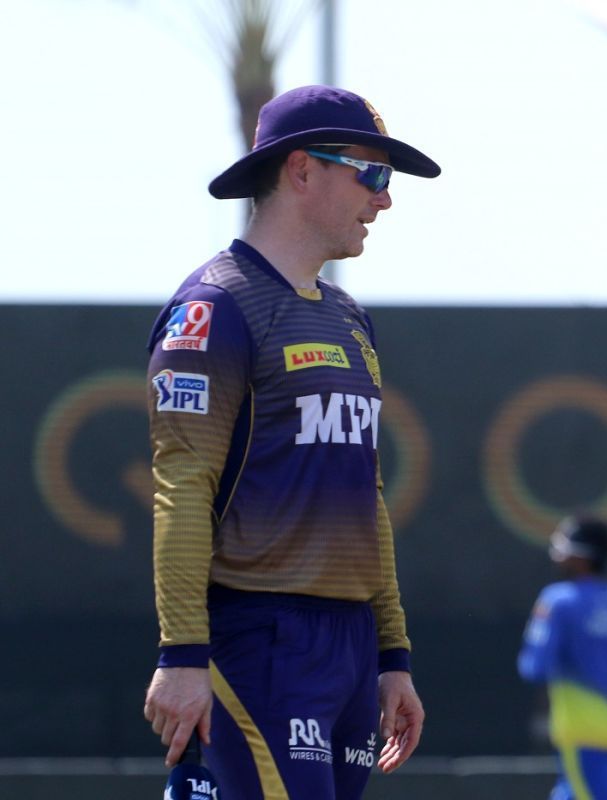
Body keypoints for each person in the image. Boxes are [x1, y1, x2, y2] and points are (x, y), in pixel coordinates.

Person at [141, 85, 440, 798]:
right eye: (372, 174)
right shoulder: (214, 309)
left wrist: (390, 654)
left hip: (349, 651)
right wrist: (181, 654)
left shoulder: (348, 319)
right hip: (259, 642)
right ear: (302, 171)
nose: (385, 200)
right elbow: (181, 487)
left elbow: (364, 498)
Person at [518, 515, 607, 800]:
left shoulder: (557, 600)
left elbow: (533, 667)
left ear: (579, 555)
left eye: (561, 546)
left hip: (580, 732)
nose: (555, 553)